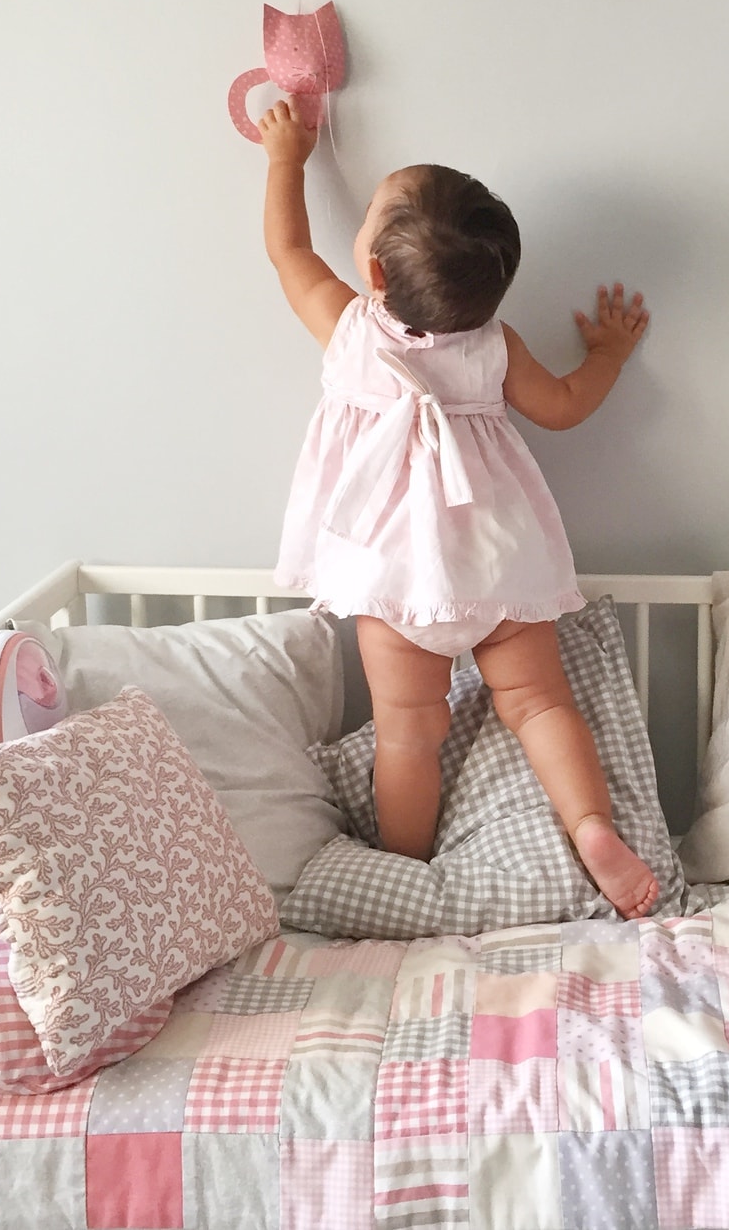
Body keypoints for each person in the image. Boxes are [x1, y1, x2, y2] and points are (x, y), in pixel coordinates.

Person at [258, 100, 658, 919]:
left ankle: (411, 879)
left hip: (398, 577)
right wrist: (608, 354)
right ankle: (589, 826)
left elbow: (287, 248)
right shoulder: (494, 344)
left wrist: (286, 160)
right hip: (498, 561)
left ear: (372, 274)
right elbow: (565, 406)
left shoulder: (348, 329)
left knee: (410, 730)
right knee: (540, 703)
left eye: (368, 212)